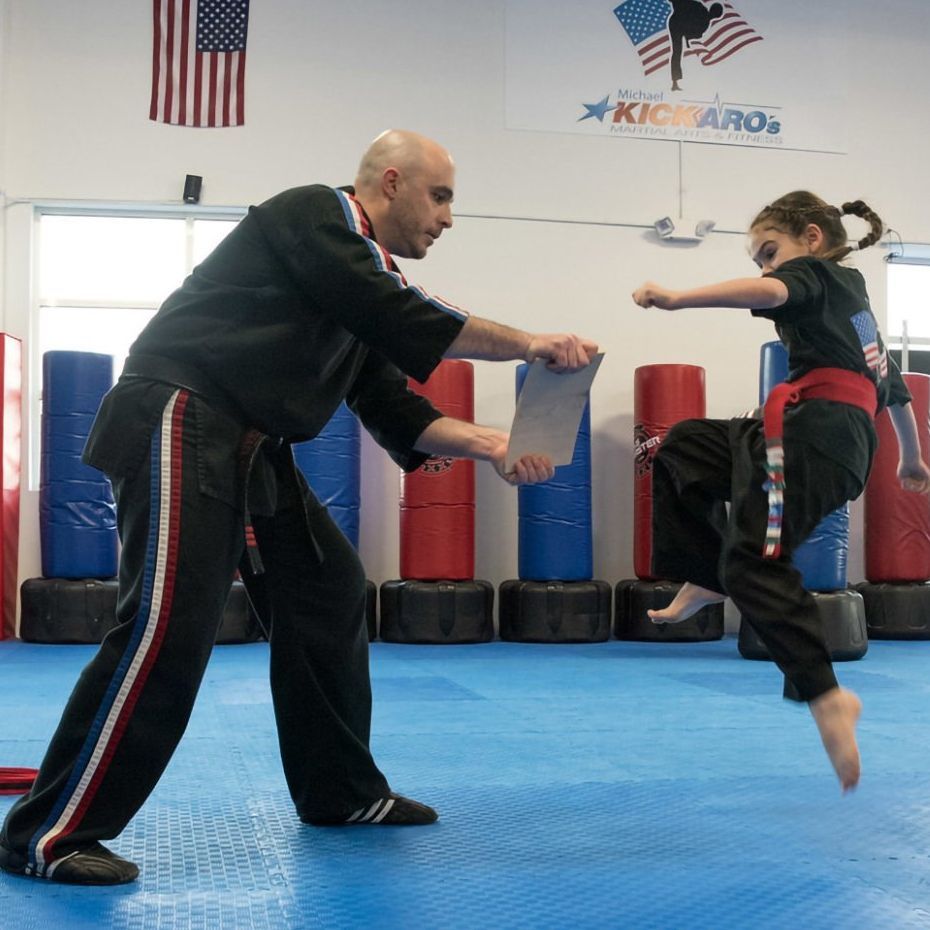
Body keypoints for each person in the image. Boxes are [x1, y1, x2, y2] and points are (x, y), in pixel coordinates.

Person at [0, 129, 599, 885]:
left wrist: (496, 444)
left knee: (327, 589)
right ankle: (47, 834)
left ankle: (340, 793)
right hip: (183, 417)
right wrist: (528, 343)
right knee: (168, 624)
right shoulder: (316, 216)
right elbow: (405, 310)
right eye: (441, 197)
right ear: (390, 182)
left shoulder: (355, 291)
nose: (448, 218)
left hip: (252, 446)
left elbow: (390, 404)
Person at [631, 190, 930, 793]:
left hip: (818, 434)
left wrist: (677, 298)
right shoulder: (859, 317)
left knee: (756, 563)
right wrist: (912, 460)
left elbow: (768, 292)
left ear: (812, 239)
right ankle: (705, 573)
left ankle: (827, 697)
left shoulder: (817, 276)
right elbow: (895, 394)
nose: (766, 268)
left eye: (769, 251)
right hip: (807, 428)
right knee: (684, 445)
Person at [667, 0, 724, 91]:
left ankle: (675, 82)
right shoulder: (700, 8)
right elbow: (683, 4)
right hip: (676, 24)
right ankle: (675, 82)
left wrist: (688, 35)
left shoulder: (705, 23)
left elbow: (696, 34)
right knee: (677, 52)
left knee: (677, 52)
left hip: (679, 27)